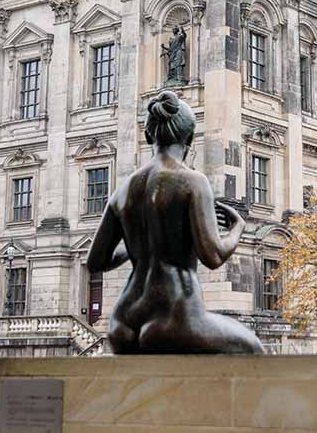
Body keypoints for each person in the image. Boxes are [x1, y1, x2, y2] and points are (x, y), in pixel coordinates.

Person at [87, 90, 262, 354]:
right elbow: (213, 256)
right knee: (254, 348)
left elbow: (96, 262)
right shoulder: (193, 181)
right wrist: (238, 229)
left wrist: (139, 246)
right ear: (189, 137)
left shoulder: (122, 190)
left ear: (148, 136)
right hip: (175, 316)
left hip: (122, 322)